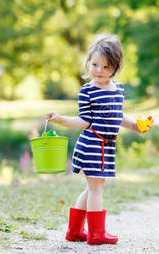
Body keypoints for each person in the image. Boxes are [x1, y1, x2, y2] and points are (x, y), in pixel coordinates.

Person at [46, 34, 152, 245]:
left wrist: (135, 126)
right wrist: (60, 119)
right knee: (96, 187)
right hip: (92, 144)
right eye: (95, 64)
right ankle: (96, 234)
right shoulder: (87, 91)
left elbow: (117, 115)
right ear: (88, 62)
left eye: (105, 67)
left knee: (91, 188)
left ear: (116, 67)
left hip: (105, 147)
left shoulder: (118, 90)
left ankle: (75, 231)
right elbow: (84, 120)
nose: (99, 71)